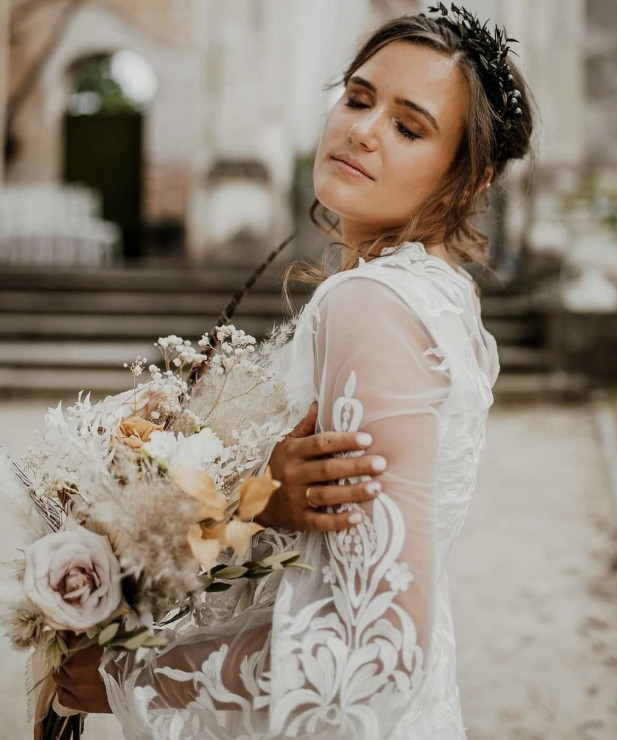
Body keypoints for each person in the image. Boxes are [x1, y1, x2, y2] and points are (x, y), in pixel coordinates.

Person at [55, 6, 534, 738]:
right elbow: (321, 550)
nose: (363, 129)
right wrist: (242, 504)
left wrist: (131, 673)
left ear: (465, 180)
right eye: (357, 97)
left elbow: (377, 654)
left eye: (409, 128)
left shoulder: (372, 304)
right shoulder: (437, 293)